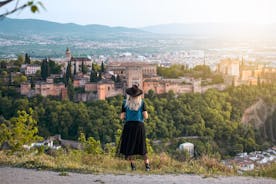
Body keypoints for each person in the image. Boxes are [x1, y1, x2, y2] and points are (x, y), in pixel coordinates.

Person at [119, 84, 150, 171]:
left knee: (129, 146)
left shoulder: (125, 103)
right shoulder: (142, 103)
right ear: (138, 95)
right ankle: (147, 165)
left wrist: (127, 115)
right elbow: (146, 116)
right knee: (142, 146)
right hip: (139, 126)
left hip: (129, 126)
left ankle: (133, 166)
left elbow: (122, 117)